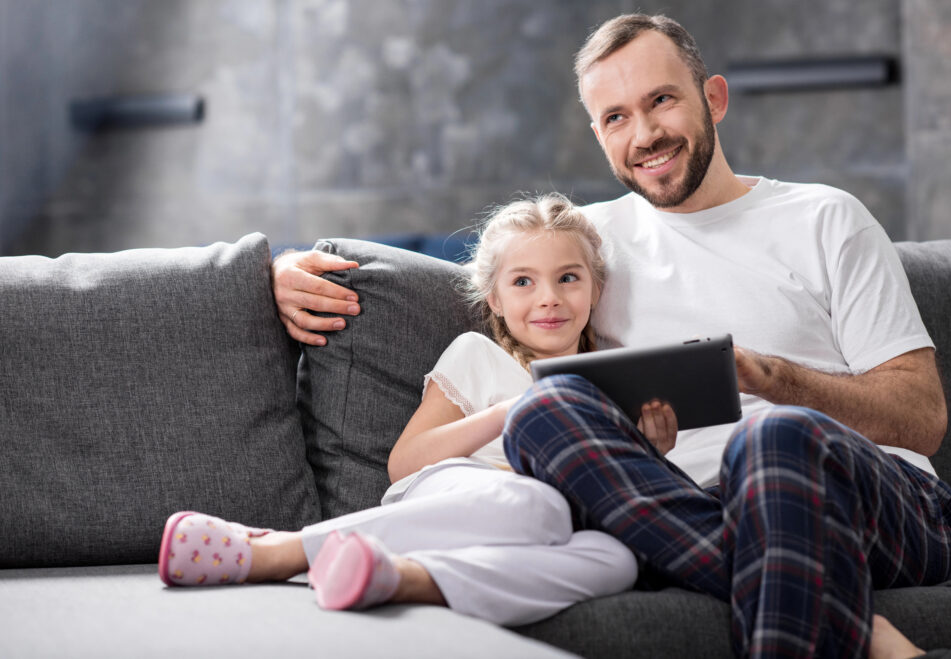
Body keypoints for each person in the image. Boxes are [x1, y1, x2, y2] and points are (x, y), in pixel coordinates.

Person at [269, 14, 951, 658]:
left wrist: (773, 381)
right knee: (544, 410)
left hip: (876, 501)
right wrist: (289, 268)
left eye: (663, 101)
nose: (645, 135)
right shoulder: (591, 240)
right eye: (616, 117)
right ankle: (852, 619)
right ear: (599, 134)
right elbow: (484, 274)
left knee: (772, 436)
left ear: (713, 99)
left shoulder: (826, 219)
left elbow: (923, 416)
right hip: (684, 503)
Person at [157, 194, 639, 626]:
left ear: (596, 289)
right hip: (457, 490)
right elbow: (405, 463)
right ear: (495, 298)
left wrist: (646, 447)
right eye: (523, 282)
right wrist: (515, 410)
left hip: (540, 527)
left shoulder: (610, 385)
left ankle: (401, 577)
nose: (549, 298)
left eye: (569, 278)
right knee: (536, 505)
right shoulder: (478, 354)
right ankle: (281, 551)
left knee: (617, 559)